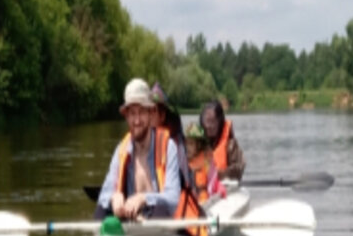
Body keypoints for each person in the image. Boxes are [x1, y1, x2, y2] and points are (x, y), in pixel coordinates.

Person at [95, 78, 182, 220]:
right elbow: (104, 194)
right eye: (132, 114)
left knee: (161, 209)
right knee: (101, 210)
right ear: (127, 117)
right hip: (130, 219)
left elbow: (173, 198)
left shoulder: (168, 146)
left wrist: (143, 198)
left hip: (157, 221)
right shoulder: (121, 150)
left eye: (141, 112)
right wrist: (114, 198)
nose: (136, 121)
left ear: (151, 113)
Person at [199, 100, 245, 182]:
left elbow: (238, 170)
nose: (209, 126)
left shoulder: (231, 145)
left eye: (212, 122)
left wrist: (216, 173)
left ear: (220, 122)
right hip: (203, 189)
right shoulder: (196, 144)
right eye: (207, 121)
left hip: (225, 188)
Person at [184, 123, 226, 202]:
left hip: (205, 197)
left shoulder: (207, 161)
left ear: (199, 145)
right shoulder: (185, 161)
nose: (187, 147)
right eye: (186, 143)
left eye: (191, 144)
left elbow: (213, 180)